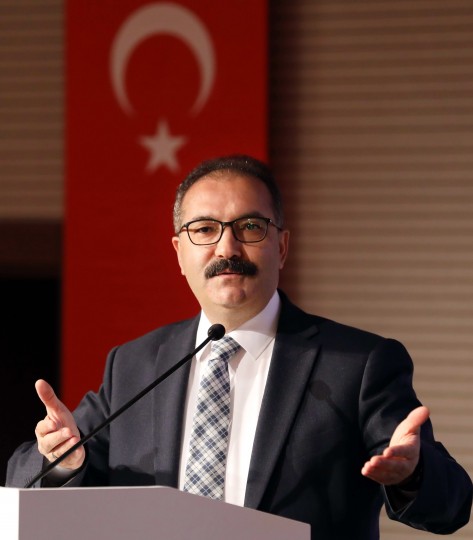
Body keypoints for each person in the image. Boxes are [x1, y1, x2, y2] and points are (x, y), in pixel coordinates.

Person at [6, 155, 472, 539]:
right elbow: (24, 480)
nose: (227, 248)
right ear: (179, 253)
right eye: (204, 229)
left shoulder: (358, 364)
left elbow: (452, 506)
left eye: (249, 226)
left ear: (282, 247)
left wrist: (413, 475)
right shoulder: (136, 364)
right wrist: (61, 461)